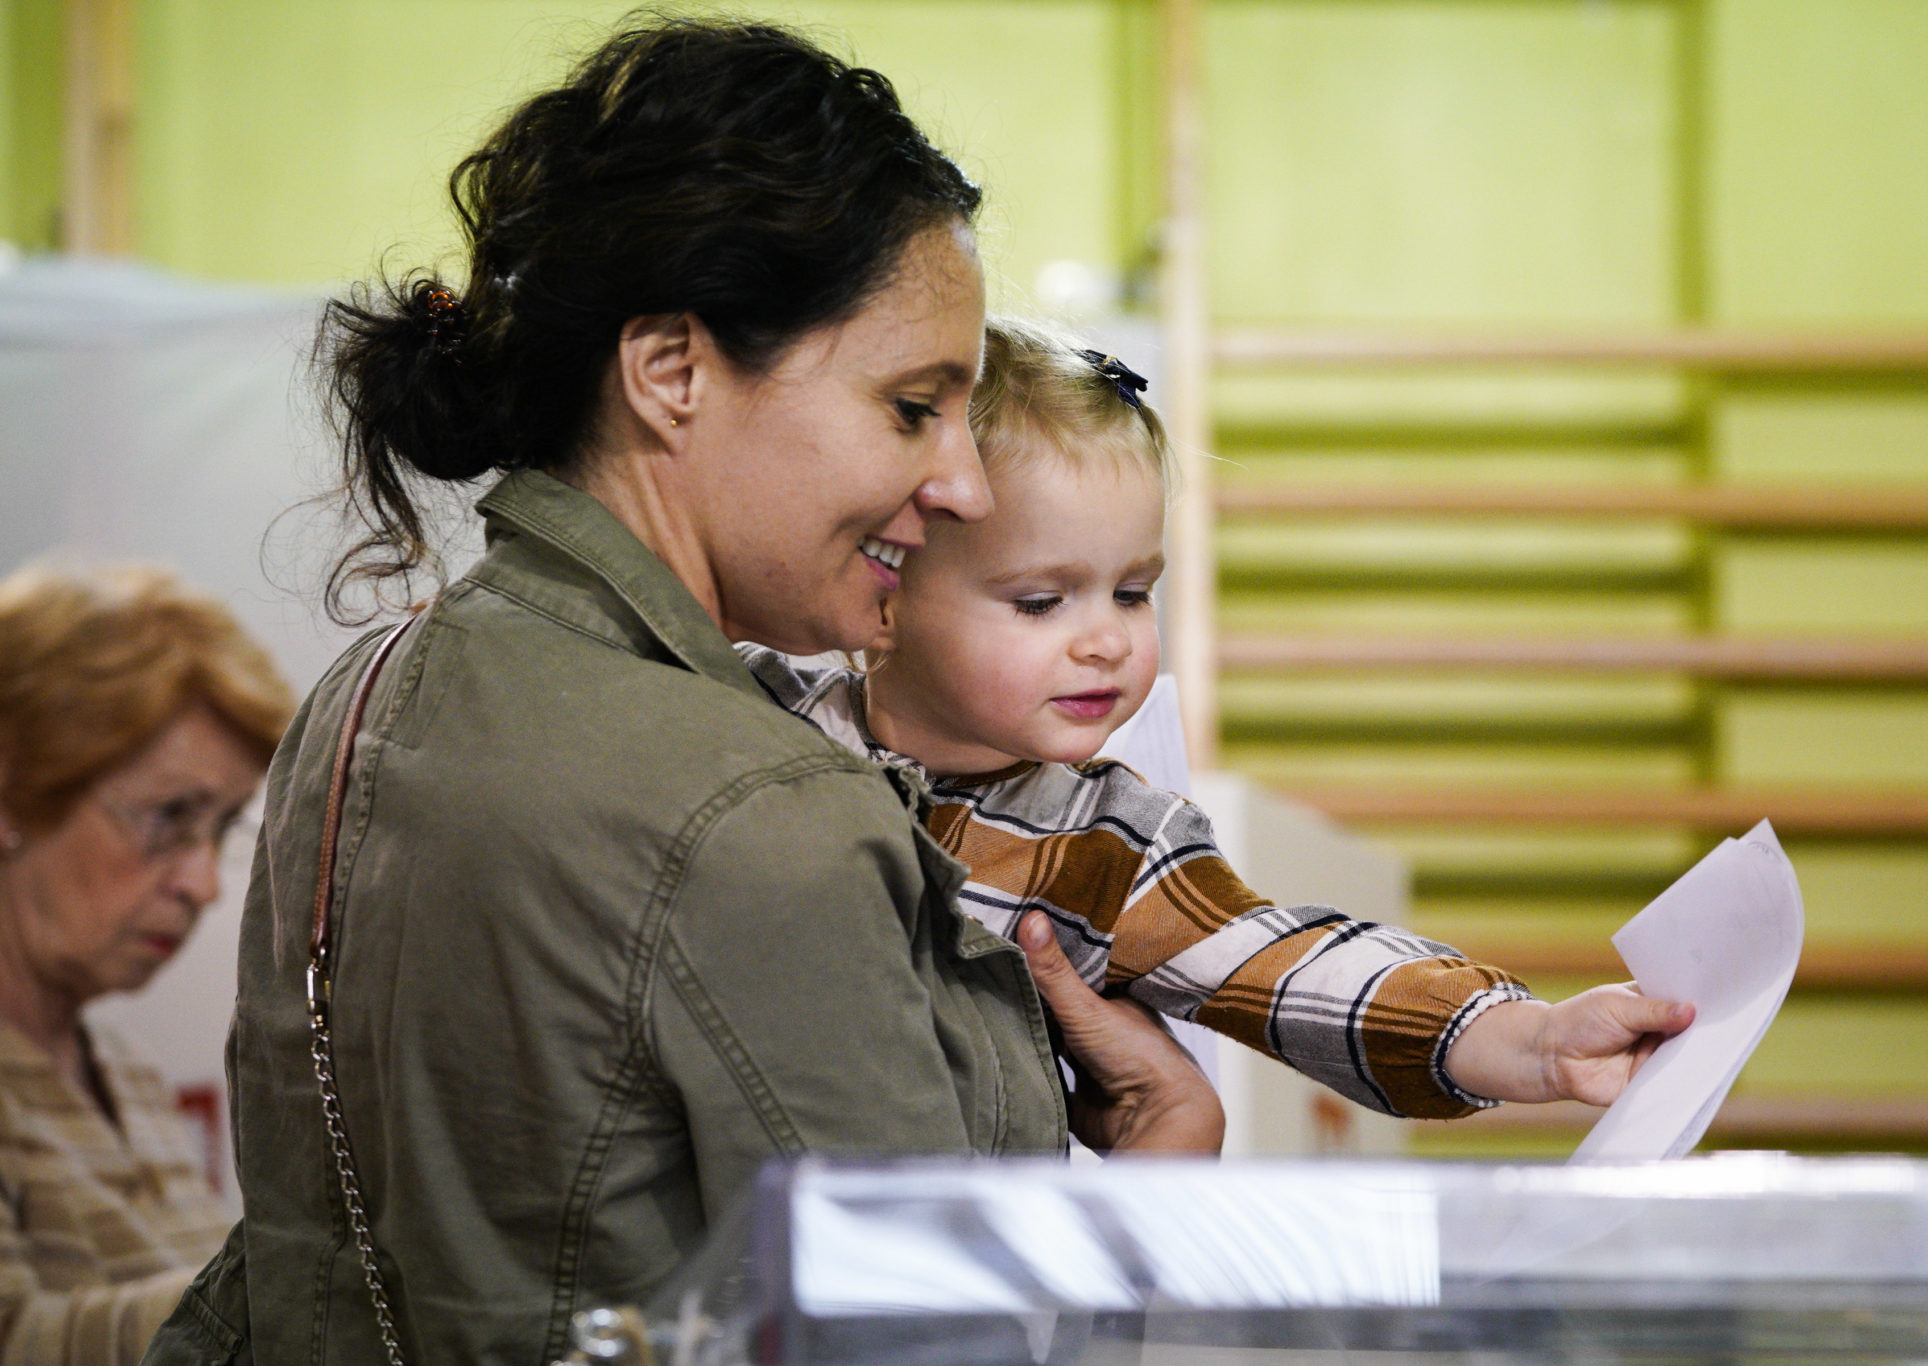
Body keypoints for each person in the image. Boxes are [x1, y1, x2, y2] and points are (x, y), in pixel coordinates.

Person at [145, 20, 1219, 1366]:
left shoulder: (363, 697)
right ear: (670, 371)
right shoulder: (766, 813)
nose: (965, 484)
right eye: (911, 407)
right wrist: (1153, 1196)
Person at [744, 316, 1696, 1120]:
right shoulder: (757, 712)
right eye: (1041, 601)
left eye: (1131, 592)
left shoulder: (1109, 848)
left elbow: (1296, 967)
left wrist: (1532, 1044)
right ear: (887, 585)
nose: (1106, 642)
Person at [0, 564, 294, 1366]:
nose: (202, 884)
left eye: (220, 826)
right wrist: (311, 1272)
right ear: (13, 789)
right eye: (169, 817)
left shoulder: (123, 1071)